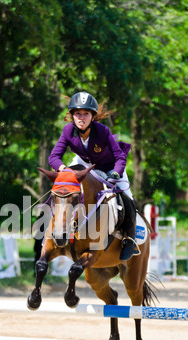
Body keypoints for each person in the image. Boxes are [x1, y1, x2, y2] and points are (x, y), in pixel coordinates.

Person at [48, 91, 138, 261]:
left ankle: (129, 240)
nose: (81, 118)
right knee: (65, 191)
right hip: (85, 164)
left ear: (92, 116)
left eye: (86, 114)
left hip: (111, 166)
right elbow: (53, 157)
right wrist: (64, 170)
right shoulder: (68, 131)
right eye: (77, 114)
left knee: (127, 197)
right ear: (72, 115)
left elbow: (119, 157)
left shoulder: (102, 131)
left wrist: (116, 173)